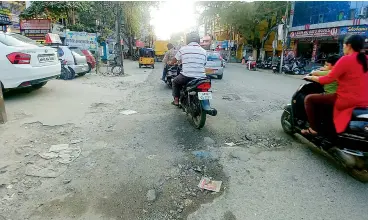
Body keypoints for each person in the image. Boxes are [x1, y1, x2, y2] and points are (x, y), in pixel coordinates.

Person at [303, 35, 368, 135]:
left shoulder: (346, 59)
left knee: (309, 99)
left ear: (349, 45)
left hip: (345, 99)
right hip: (364, 101)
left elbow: (327, 79)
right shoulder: (366, 59)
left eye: (344, 45)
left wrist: (311, 77)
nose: (343, 48)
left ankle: (313, 129)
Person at [169, 31, 207, 106]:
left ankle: (176, 100)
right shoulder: (204, 51)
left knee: (175, 82)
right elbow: (204, 63)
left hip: (186, 76)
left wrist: (170, 63)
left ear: (188, 40)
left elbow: (174, 60)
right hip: (201, 78)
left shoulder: (183, 49)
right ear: (198, 40)